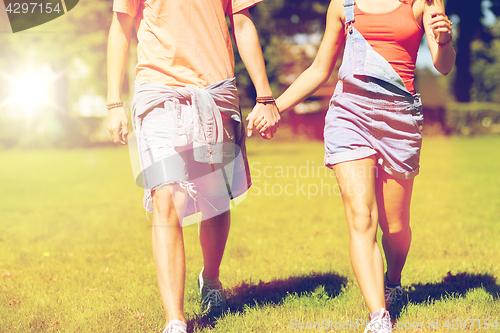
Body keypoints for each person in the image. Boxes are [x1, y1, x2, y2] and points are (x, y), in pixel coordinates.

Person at [267, 0, 456, 331]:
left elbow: (443, 65)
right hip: (349, 116)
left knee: (395, 229)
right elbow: (319, 68)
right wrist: (274, 107)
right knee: (360, 217)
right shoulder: (343, 6)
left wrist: (443, 41)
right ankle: (379, 316)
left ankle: (393, 280)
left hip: (400, 122)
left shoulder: (421, 3)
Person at [106, 0, 280, 332]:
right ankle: (175, 320)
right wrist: (114, 102)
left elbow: (241, 24)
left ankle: (210, 279)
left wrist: (265, 96)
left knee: (214, 200)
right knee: (167, 195)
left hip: (216, 93)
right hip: (159, 92)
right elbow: (121, 26)